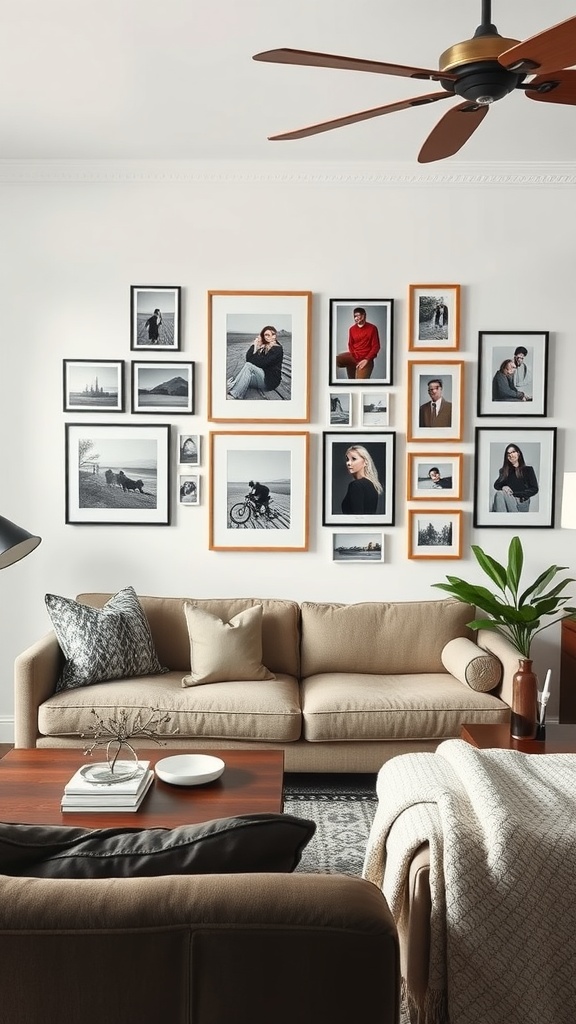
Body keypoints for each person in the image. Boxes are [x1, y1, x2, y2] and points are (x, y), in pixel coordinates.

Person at [227, 326, 284, 399]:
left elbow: (262, 363)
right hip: (262, 377)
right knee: (243, 373)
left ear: (274, 336)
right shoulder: (264, 347)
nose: (266, 337)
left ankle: (235, 394)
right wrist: (254, 345)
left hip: (270, 381)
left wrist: (256, 356)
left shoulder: (277, 349)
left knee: (248, 366)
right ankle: (233, 386)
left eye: (268, 335)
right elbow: (248, 358)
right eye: (265, 335)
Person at [492, 443, 538, 513]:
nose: (511, 455)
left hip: (521, 501)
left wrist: (517, 494)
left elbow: (534, 489)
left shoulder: (528, 470)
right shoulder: (504, 471)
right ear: (506, 457)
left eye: (513, 452)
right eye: (508, 453)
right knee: (499, 494)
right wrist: (503, 487)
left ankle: (501, 521)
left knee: (500, 495)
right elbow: (496, 485)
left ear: (518, 454)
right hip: (509, 499)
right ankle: (502, 520)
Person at [336, 307, 380, 380]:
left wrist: (366, 359)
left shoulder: (372, 328)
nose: (356, 318)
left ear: (364, 315)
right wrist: (354, 356)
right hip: (354, 356)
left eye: (358, 315)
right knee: (334, 360)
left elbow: (376, 346)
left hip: (366, 359)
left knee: (360, 383)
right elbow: (350, 344)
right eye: (354, 316)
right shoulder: (352, 329)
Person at [341, 445, 383, 515]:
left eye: (354, 459)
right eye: (347, 459)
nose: (348, 463)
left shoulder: (356, 485)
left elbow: (357, 518)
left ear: (365, 462)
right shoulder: (373, 485)